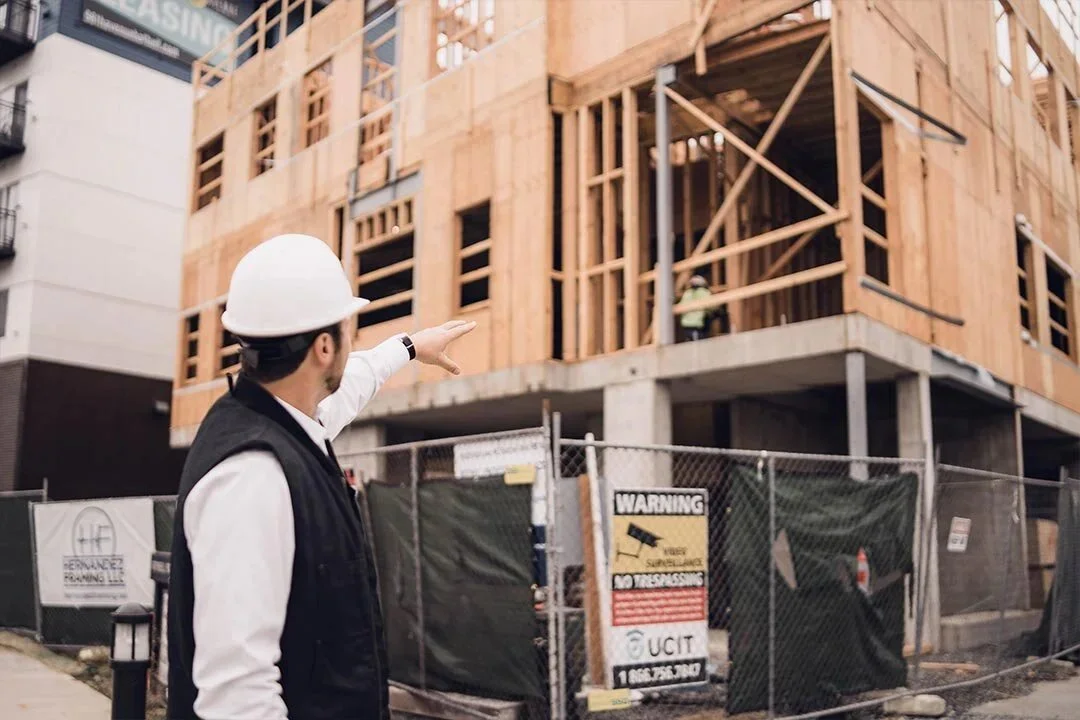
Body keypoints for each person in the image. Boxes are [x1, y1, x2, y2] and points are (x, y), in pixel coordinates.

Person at [167, 233, 476, 720]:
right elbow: (237, 697)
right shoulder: (253, 476)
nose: (353, 343)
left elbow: (349, 388)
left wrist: (410, 347)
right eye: (348, 329)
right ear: (326, 346)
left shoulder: (278, 421)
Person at [678, 274, 712, 342]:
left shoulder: (687, 293)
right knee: (700, 344)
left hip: (686, 325)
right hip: (698, 325)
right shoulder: (705, 292)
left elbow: (681, 307)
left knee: (689, 343)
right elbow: (711, 307)